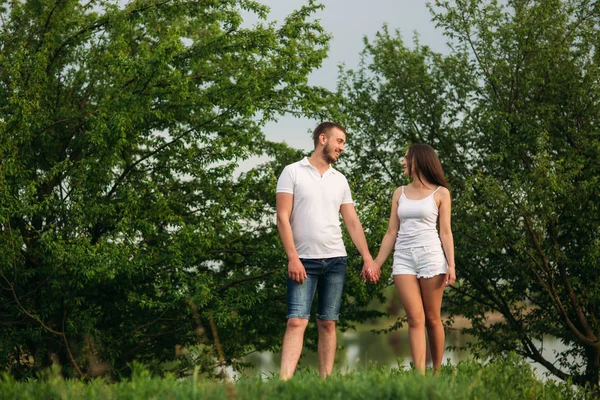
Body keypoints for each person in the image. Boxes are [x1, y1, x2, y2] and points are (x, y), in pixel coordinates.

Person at [276, 121, 380, 380]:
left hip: (335, 260)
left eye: (343, 143)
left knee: (328, 322)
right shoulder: (292, 172)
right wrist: (293, 258)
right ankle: (283, 383)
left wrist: (367, 258)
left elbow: (352, 222)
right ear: (323, 138)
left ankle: (326, 383)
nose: (342, 148)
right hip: (303, 261)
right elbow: (282, 217)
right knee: (296, 321)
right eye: (340, 141)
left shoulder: (340, 180)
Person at [374, 143, 456, 375]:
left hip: (431, 259)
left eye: (406, 158)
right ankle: (418, 376)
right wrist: (376, 264)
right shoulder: (399, 193)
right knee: (414, 318)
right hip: (403, 259)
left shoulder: (441, 193)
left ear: (418, 161)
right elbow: (391, 232)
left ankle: (437, 372)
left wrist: (451, 264)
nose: (403, 162)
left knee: (432, 318)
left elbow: (446, 232)